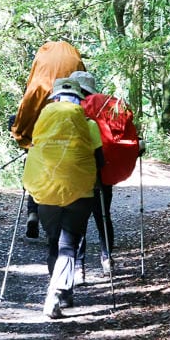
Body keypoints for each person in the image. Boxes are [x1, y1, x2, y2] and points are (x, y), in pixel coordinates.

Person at [21, 77, 103, 319]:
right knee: (69, 244)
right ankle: (56, 293)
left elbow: (35, 151)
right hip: (80, 192)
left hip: (46, 191)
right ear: (80, 99)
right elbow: (100, 162)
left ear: (54, 99)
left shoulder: (43, 122)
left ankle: (62, 291)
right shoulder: (89, 125)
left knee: (53, 242)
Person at [10, 41, 85, 239]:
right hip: (68, 131)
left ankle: (33, 211)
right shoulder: (74, 59)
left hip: (39, 131)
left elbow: (26, 110)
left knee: (35, 163)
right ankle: (63, 215)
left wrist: (20, 133)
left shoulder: (38, 82)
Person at [67, 70, 115, 277]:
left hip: (76, 172)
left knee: (79, 219)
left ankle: (79, 267)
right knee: (103, 216)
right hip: (102, 171)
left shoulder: (68, 108)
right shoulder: (105, 107)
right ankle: (107, 259)